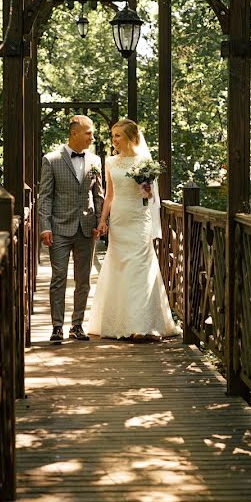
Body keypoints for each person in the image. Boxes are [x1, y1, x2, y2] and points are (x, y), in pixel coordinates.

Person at [88, 119, 181, 339]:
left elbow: (148, 197)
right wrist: (103, 221)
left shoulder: (144, 162)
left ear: (130, 137)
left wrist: (145, 186)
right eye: (113, 135)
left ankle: (142, 325)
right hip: (120, 217)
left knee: (140, 267)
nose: (114, 140)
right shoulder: (110, 162)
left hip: (140, 219)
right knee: (120, 267)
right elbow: (109, 195)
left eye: (118, 135)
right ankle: (122, 322)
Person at [37, 115, 105, 342]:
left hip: (86, 227)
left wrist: (100, 223)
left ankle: (77, 325)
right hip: (59, 227)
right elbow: (45, 197)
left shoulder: (95, 160)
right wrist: (44, 227)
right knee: (59, 277)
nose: (92, 137)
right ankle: (57, 326)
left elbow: (99, 195)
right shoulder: (51, 159)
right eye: (88, 133)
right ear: (74, 133)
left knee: (83, 280)